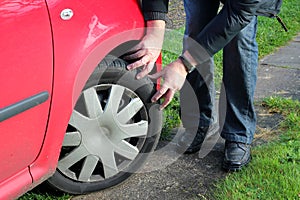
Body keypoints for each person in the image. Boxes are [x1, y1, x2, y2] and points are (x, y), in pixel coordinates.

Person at [125, 0, 262, 172]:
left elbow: (240, 13)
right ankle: (200, 122)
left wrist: (184, 65)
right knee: (196, 31)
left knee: (240, 39)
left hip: (242, 5)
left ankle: (239, 133)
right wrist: (155, 30)